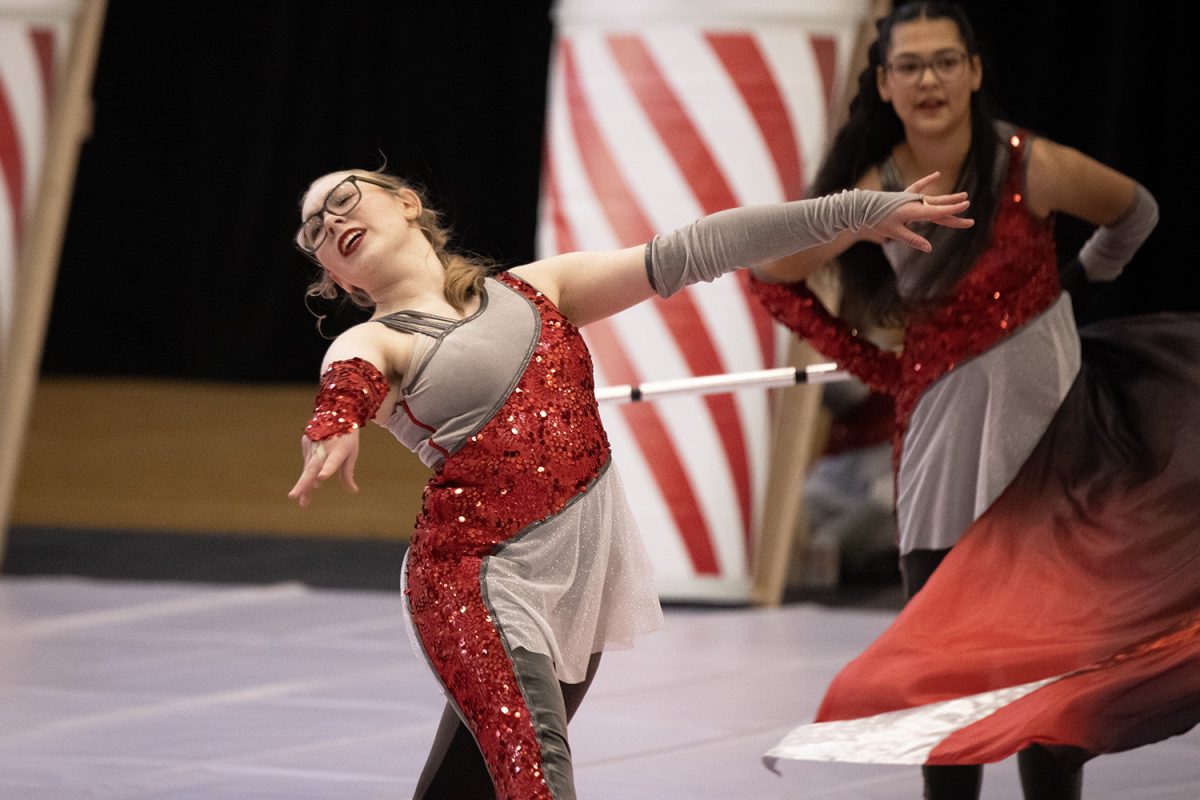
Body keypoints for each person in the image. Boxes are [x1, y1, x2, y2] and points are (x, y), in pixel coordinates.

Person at [284, 167, 971, 799]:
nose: (330, 221)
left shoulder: (536, 288)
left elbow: (697, 248)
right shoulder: (376, 339)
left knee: (470, 780)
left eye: (343, 197)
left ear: (406, 203)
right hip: (473, 581)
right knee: (536, 774)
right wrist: (334, 421)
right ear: (339, 279)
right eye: (315, 229)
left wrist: (851, 215)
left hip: (574, 577)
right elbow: (349, 377)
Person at [753, 3, 1200, 799]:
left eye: (945, 61)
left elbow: (1136, 213)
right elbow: (775, 279)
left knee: (1051, 691)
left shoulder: (1031, 164)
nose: (930, 79)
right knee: (944, 681)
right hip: (945, 448)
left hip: (1056, 445)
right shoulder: (874, 189)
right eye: (911, 66)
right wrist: (883, 367)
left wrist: (1076, 285)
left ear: (975, 72)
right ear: (885, 84)